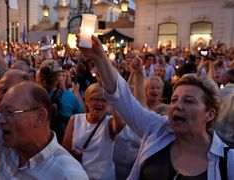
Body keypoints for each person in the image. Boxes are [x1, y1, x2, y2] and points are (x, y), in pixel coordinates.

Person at [0, 10, 88, 179]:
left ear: (40, 117)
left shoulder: (68, 175)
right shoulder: (6, 139)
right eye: (1, 111)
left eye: (10, 112)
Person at [76, 31, 234, 179]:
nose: (177, 106)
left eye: (189, 100)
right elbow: (123, 98)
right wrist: (99, 57)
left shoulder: (228, 162)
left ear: (210, 113)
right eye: (173, 100)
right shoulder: (157, 129)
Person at [62, 83, 125, 180]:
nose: (99, 103)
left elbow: (121, 123)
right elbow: (65, 151)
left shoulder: (109, 122)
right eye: (95, 99)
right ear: (86, 101)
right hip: (78, 176)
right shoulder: (75, 120)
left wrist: (112, 98)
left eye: (104, 100)